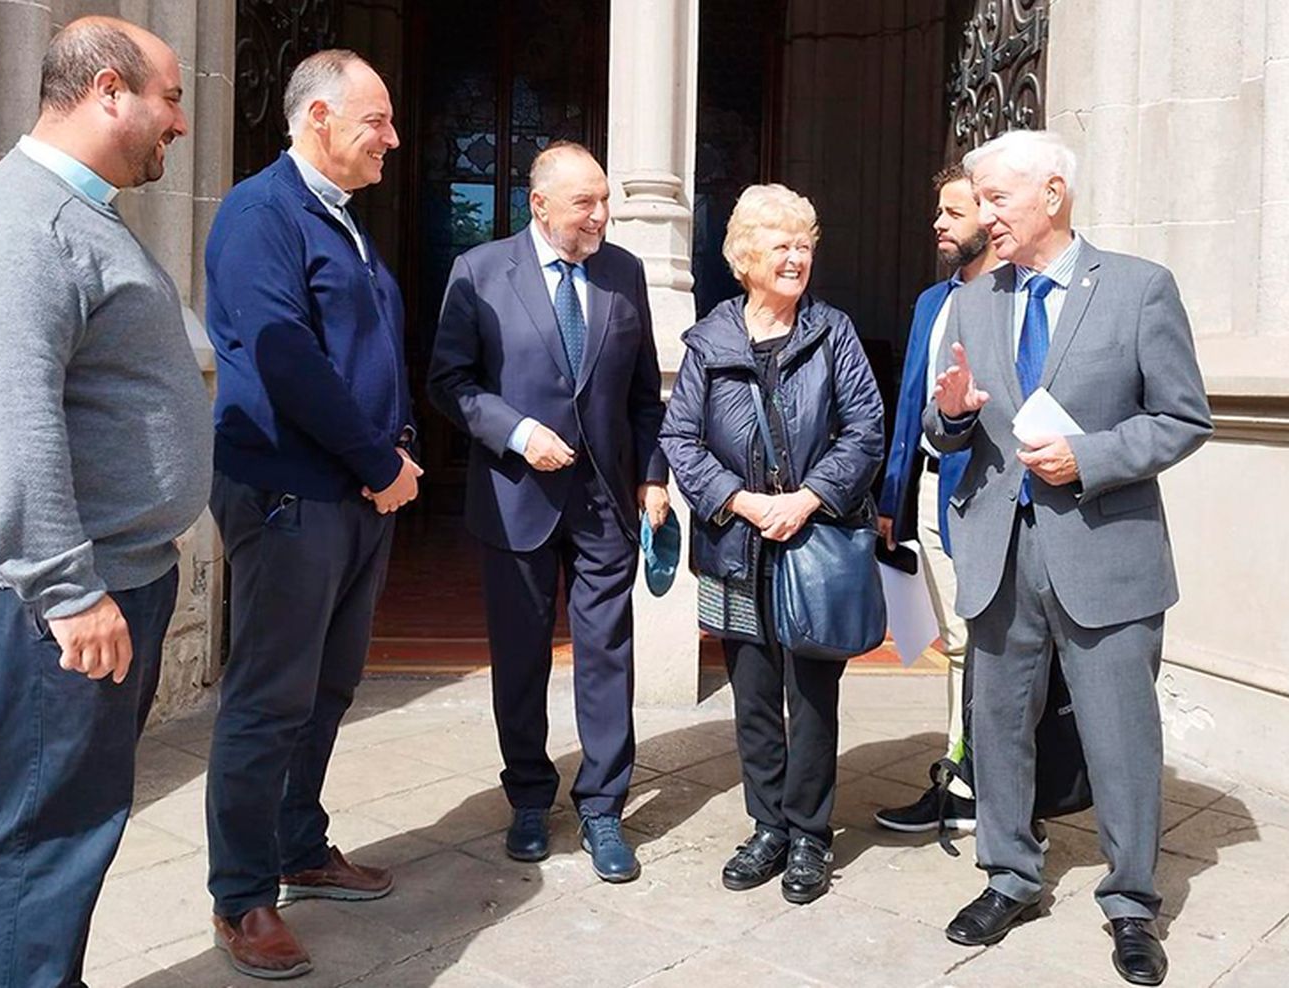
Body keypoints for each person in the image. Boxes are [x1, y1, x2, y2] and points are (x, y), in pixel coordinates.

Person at [0, 17, 209, 986]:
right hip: (51, 603)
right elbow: (9, 417)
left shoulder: (80, 216)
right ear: (107, 92)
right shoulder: (18, 224)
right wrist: (66, 588)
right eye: (169, 97)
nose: (180, 119)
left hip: (104, 581)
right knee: (31, 847)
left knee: (67, 840)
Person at [926, 129, 1211, 986]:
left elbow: (1183, 418)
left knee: (1120, 735)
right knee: (999, 727)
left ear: (1052, 194)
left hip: (1103, 553)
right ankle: (1010, 875)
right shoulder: (973, 298)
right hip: (998, 551)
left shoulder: (1138, 289)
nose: (986, 217)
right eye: (979, 202)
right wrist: (948, 416)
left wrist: (1091, 460)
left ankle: (1131, 904)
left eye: (998, 200)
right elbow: (954, 428)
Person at [202, 49, 419, 980]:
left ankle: (298, 844)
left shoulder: (345, 223)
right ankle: (242, 896)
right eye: (378, 120)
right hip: (292, 493)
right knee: (267, 699)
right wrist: (379, 462)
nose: (392, 139)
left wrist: (394, 453)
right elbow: (288, 361)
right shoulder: (262, 214)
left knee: (327, 688)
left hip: (358, 497)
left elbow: (368, 357)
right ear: (321, 116)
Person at [428, 142, 669, 884]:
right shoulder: (480, 271)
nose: (600, 216)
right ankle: (529, 798)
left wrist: (654, 477)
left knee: (608, 656)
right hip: (515, 500)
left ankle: (602, 807)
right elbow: (449, 381)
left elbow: (641, 392)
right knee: (522, 656)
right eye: (584, 204)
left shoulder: (624, 271)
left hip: (604, 502)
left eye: (605, 201)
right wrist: (517, 433)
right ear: (539, 206)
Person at [660, 184, 884, 904]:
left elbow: (865, 429)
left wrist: (807, 499)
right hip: (737, 543)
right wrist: (745, 501)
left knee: (812, 695)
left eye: (804, 245)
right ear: (746, 258)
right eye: (781, 246)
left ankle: (811, 834)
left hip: (812, 540)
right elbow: (681, 441)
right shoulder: (711, 339)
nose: (796, 259)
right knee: (753, 693)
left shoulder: (833, 332)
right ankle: (768, 827)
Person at [874, 163, 999, 835]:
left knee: (977, 641)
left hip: (980, 495)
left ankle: (974, 784)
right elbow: (907, 408)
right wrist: (893, 498)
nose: (938, 224)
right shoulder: (932, 300)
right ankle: (963, 776)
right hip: (925, 486)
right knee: (950, 641)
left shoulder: (1014, 296)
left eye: (953, 212)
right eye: (940, 212)